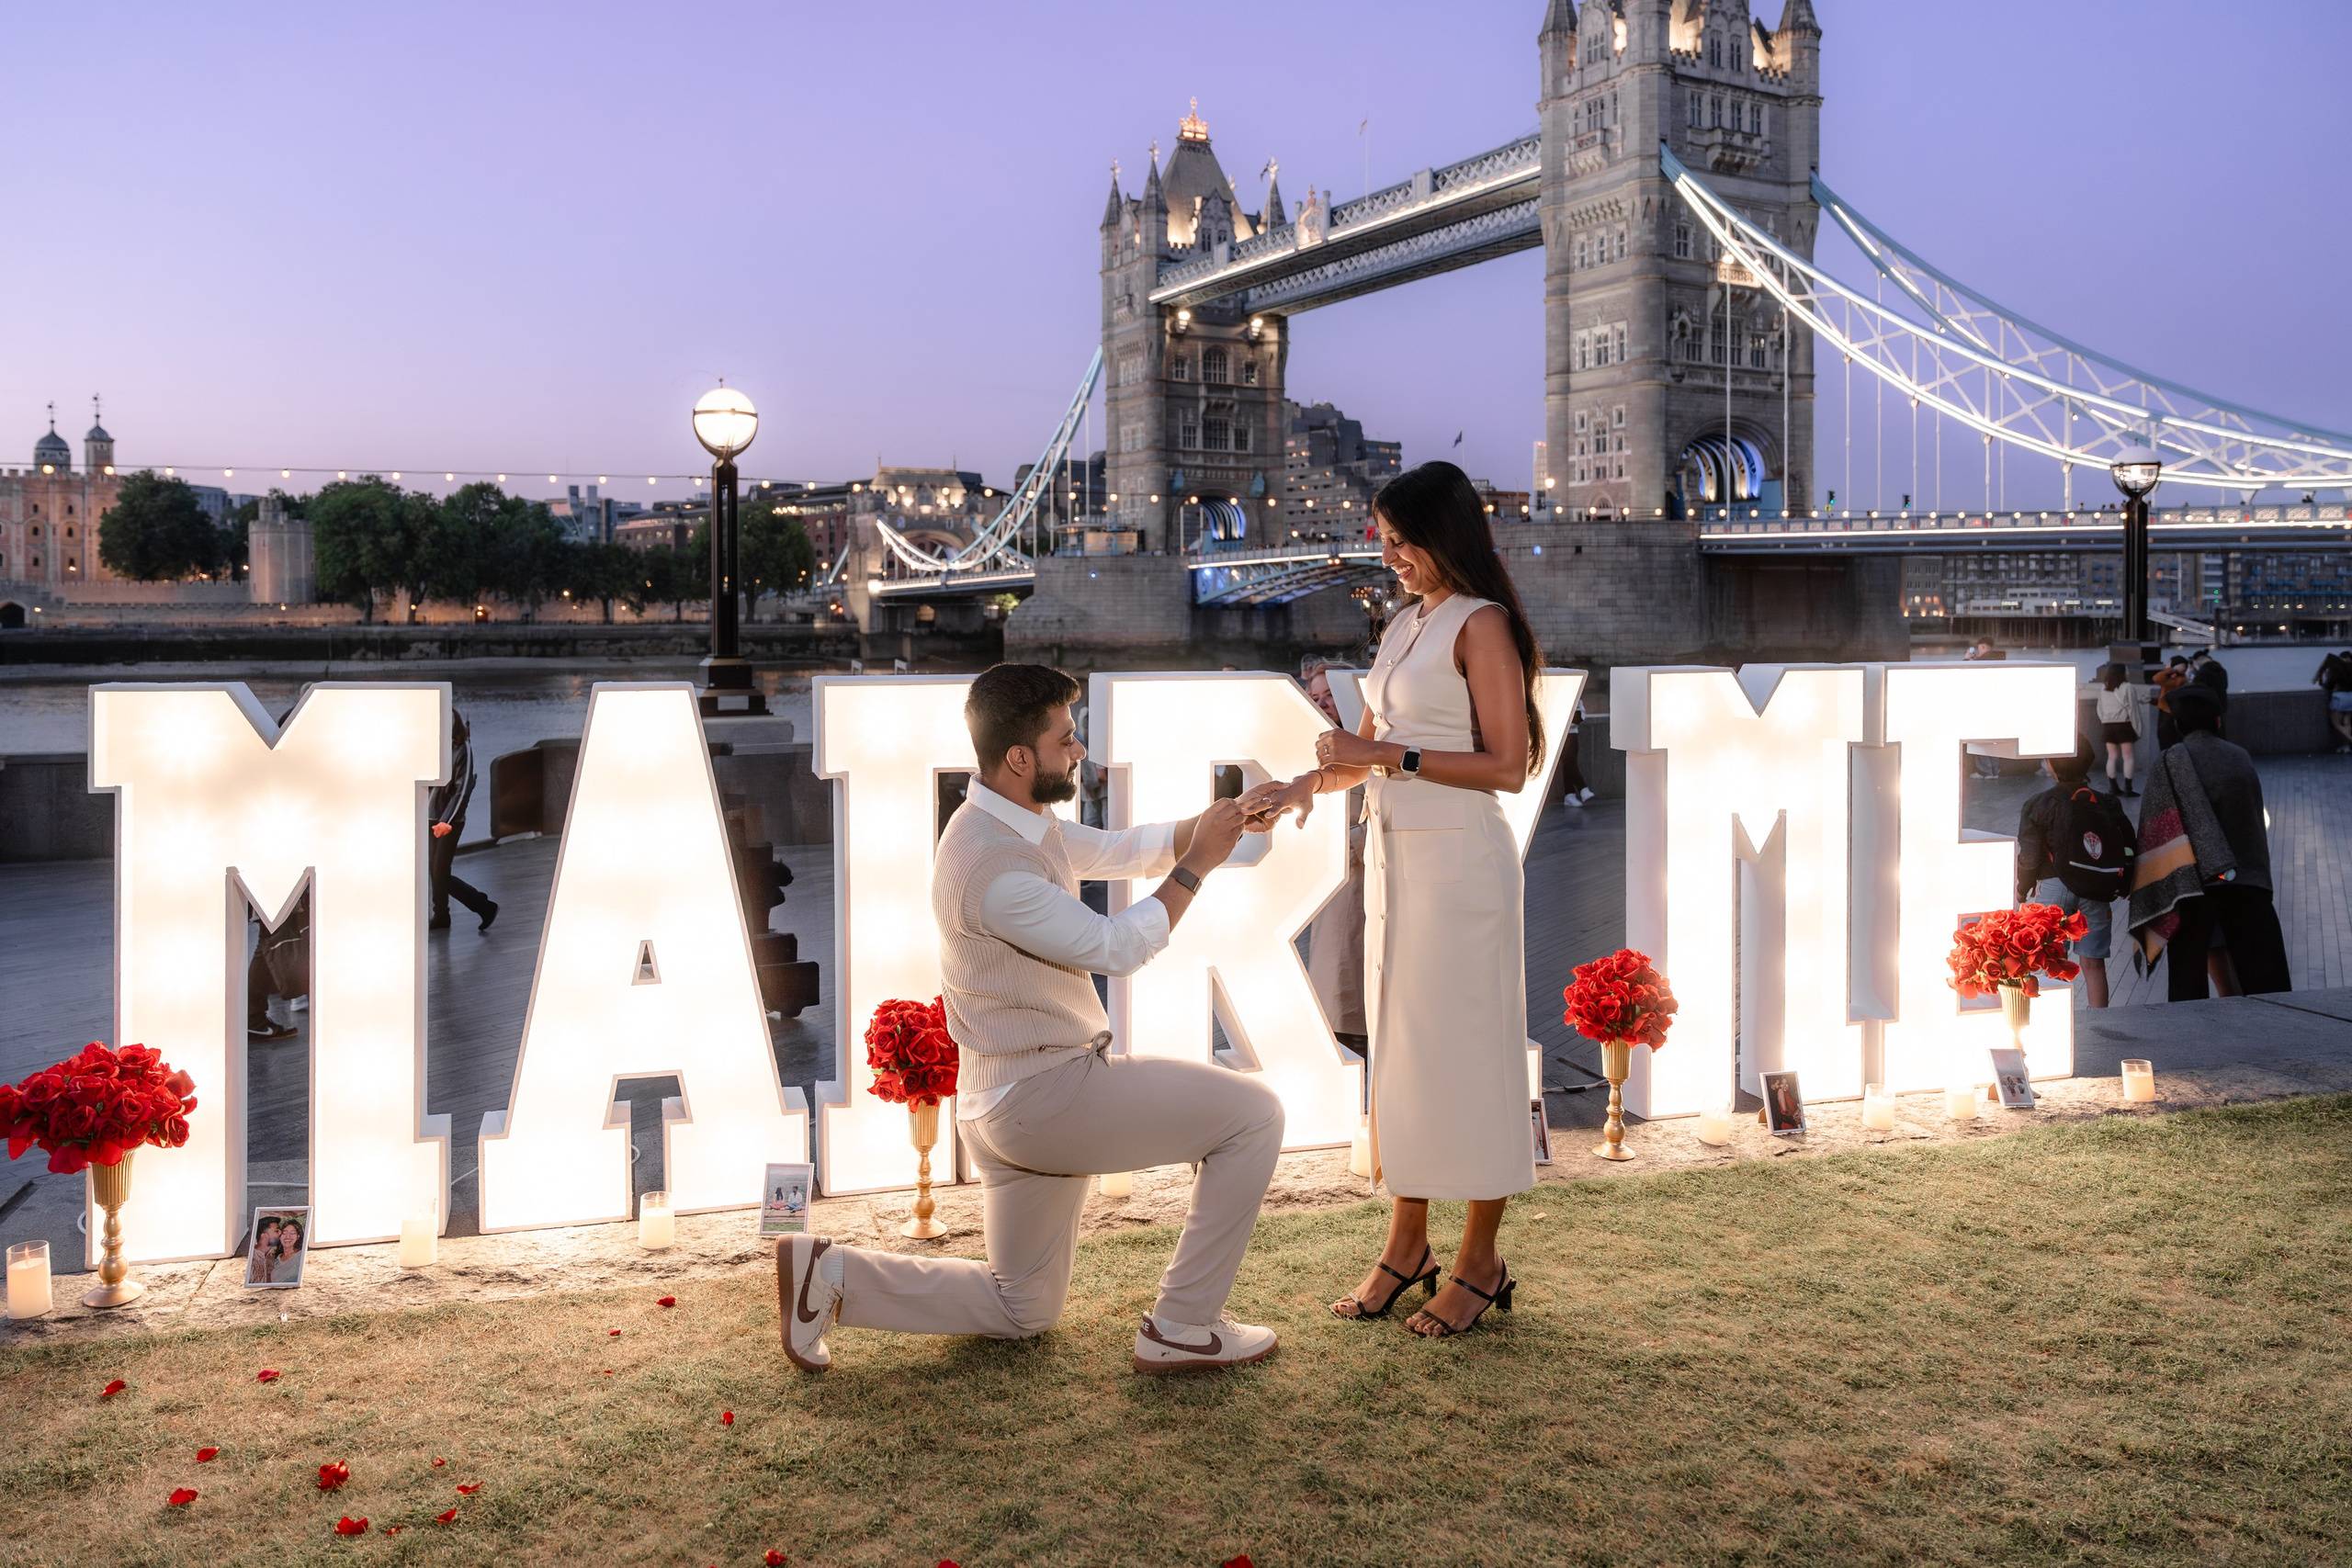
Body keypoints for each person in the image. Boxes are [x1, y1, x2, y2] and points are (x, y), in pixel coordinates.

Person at [778, 664, 1280, 1376]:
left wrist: (1218, 821)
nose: (1079, 751)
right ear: (1021, 757)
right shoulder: (994, 871)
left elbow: (1112, 850)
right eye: (1066, 738)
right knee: (1255, 1115)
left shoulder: (1004, 819)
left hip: (1004, 1106)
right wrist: (1197, 865)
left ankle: (830, 1276)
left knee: (1024, 1307)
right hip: (1046, 1095)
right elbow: (1116, 948)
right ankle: (1183, 1324)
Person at [1243, 460, 1541, 1339]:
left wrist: (1390, 758)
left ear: (1443, 535)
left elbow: (1508, 767)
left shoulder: (1481, 625)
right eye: (1385, 539)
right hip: (1400, 862)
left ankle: (1480, 1259)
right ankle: (1407, 1245)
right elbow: (1359, 750)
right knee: (1401, 1056)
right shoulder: (1405, 626)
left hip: (1463, 865)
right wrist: (1299, 787)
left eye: (1403, 540)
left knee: (1474, 1055)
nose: (1391, 554)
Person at [2128, 684, 2291, 1001]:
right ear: (2217, 722)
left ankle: (2192, 1043)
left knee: (2187, 977)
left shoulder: (2170, 761)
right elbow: (2253, 823)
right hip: (2246, 880)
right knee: (2265, 979)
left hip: (2193, 886)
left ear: (2177, 725)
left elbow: (2154, 830)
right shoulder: (2240, 757)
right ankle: (2275, 1038)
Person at [2015, 738, 2132, 1009]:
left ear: (2052, 764)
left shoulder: (2037, 804)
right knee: (2094, 965)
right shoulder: (2107, 803)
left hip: (2052, 888)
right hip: (2096, 887)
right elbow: (2127, 845)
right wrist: (2123, 884)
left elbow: (2030, 856)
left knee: (2049, 962)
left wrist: (2023, 889)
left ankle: (2051, 1021)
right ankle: (2099, 1026)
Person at [1298, 659, 1369, 1057]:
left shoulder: (1371, 746)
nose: (1323, 704)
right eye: (1315, 697)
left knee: (1353, 994)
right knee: (1336, 993)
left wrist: (1346, 844)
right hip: (1330, 892)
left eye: (1331, 695)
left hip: (1363, 885)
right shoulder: (1313, 750)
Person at [428, 709, 498, 933]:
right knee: (435, 871)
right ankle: (441, 916)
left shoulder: (463, 750)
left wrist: (445, 821)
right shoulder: (434, 748)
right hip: (431, 817)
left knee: (440, 873)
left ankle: (484, 906)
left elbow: (463, 789)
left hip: (450, 822)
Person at [2094, 665, 2141, 796]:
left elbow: (2099, 708)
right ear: (2122, 673)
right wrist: (2138, 729)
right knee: (2128, 757)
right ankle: (2128, 788)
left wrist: (2105, 719)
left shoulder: (2103, 688)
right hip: (2123, 726)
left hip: (2108, 726)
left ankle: (2113, 787)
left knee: (2112, 757)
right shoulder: (2128, 687)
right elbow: (2133, 710)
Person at [2314, 648, 2352, 754]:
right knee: (2346, 722)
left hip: (2340, 697)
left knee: (2336, 722)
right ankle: (2346, 747)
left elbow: (2328, 685)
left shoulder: (2339, 669)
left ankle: (2350, 741)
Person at [2152, 655, 2192, 751]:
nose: (2167, 665)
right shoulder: (2177, 679)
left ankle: (2168, 763)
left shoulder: (2177, 680)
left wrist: (2171, 669)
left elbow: (2156, 678)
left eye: (2169, 663)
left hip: (2168, 715)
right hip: (2171, 713)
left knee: (2166, 743)